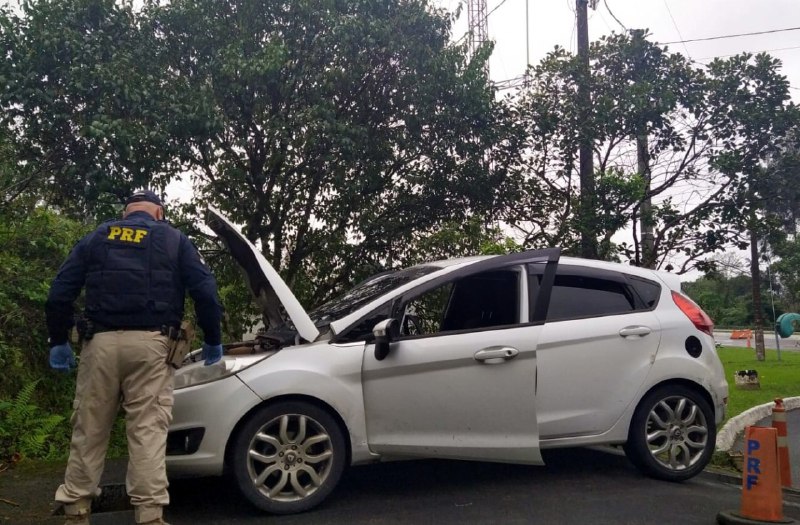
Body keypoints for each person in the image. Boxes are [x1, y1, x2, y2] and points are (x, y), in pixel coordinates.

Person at [45, 189, 224, 525]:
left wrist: (58, 340)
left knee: (89, 428)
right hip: (152, 347)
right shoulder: (174, 239)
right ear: (159, 213)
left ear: (126, 213)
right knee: (147, 431)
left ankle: (76, 512)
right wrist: (213, 339)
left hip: (99, 344)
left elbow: (60, 292)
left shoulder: (98, 236)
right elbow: (205, 292)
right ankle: (149, 516)